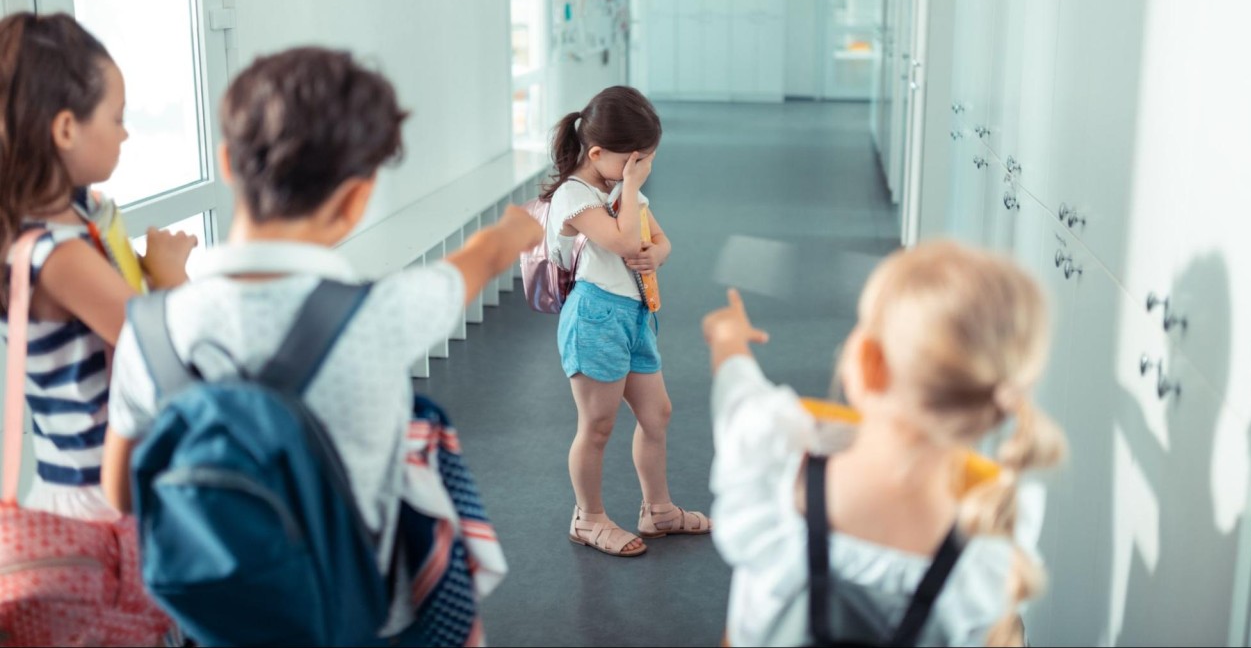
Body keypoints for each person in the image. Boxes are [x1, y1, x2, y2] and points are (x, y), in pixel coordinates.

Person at [100, 45, 544, 634]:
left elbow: (122, 492)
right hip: (362, 621)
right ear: (357, 197)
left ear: (228, 163)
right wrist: (516, 229)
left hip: (220, 626)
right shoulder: (385, 313)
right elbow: (480, 258)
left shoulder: (151, 329)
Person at [703, 240, 1066, 646]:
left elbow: (738, 393)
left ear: (870, 363)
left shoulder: (770, 467)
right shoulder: (991, 555)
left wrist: (727, 337)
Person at [0, 12, 194, 521]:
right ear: (66, 128)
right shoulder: (57, 257)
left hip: (95, 485)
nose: (125, 134)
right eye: (117, 118)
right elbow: (165, 358)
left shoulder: (64, 220)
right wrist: (170, 276)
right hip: (99, 501)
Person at [543, 85, 709, 558]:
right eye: (635, 161)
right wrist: (632, 187)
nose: (641, 170)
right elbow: (620, 243)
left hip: (635, 315)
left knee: (657, 415)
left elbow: (659, 242)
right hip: (595, 316)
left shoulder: (617, 186)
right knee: (596, 425)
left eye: (646, 162)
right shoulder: (573, 198)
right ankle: (587, 518)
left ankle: (657, 511)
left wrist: (655, 253)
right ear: (596, 153)